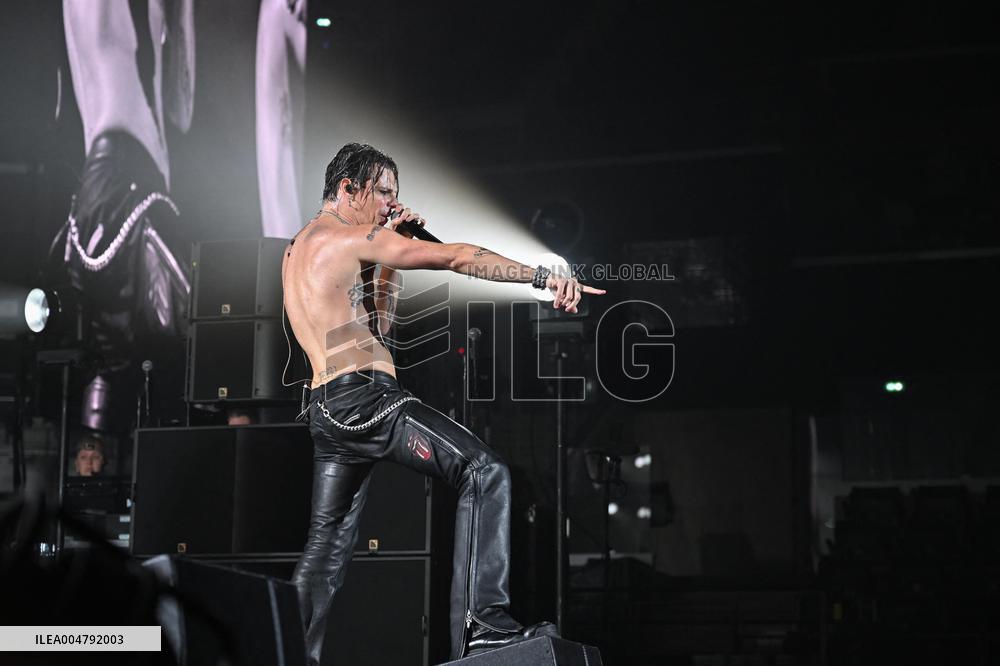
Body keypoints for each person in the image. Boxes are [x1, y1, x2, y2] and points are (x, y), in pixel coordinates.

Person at [282, 143, 606, 663]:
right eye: (383, 193)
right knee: (485, 471)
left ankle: (287, 653)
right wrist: (542, 278)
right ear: (349, 189)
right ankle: (486, 627)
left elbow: (378, 327)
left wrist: (394, 250)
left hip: (328, 409)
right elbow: (458, 257)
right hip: (365, 397)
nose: (390, 204)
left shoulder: (303, 247)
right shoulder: (345, 237)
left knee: (325, 549)